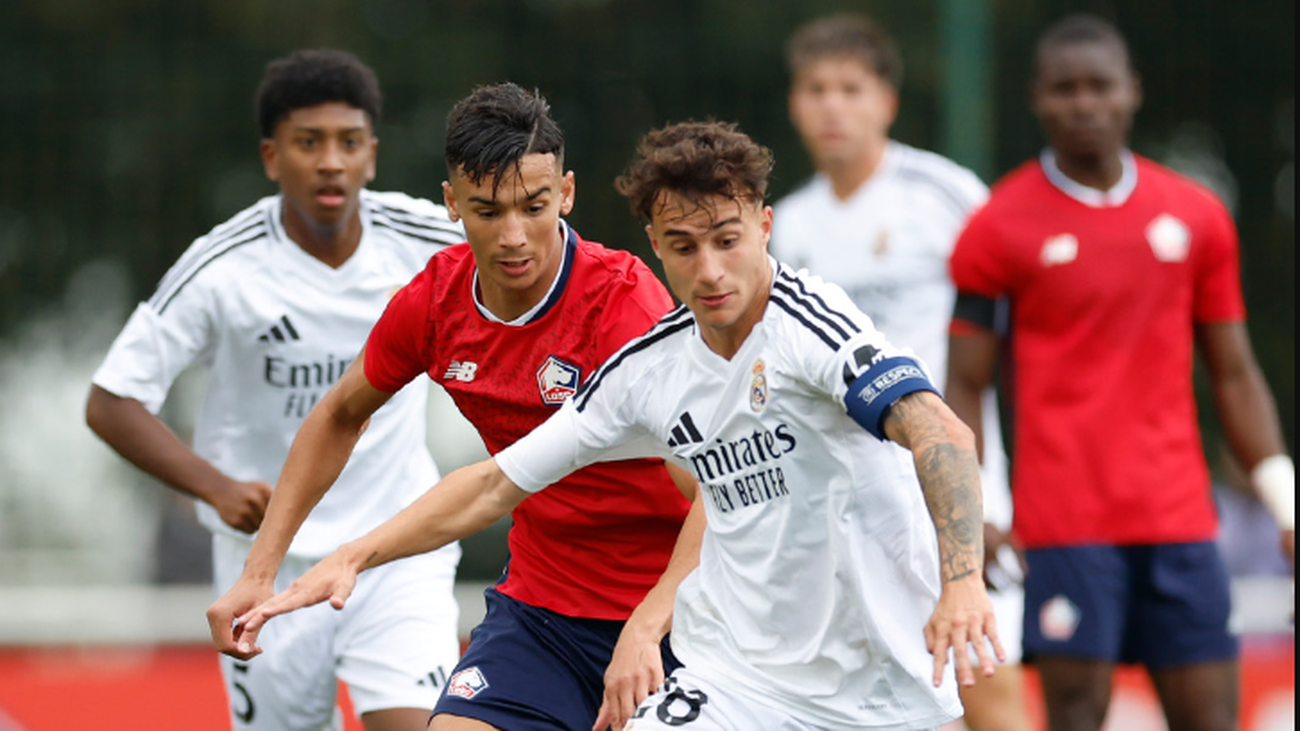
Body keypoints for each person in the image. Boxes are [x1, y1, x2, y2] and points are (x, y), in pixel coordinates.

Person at [234, 120, 1005, 731]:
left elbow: (941, 434)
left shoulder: (811, 327)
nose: (708, 271)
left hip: (861, 667)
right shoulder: (649, 366)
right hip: (723, 668)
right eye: (683, 246)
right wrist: (350, 557)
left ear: (765, 226)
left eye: (727, 240)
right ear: (657, 246)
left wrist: (962, 582)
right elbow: (496, 482)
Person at [205, 82, 699, 731]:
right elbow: (339, 414)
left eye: (535, 206)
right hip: (543, 617)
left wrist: (650, 621)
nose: (515, 236)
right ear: (451, 204)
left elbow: (716, 489)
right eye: (488, 211)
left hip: (680, 613)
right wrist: (259, 570)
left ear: (567, 194)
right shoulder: (436, 302)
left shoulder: (626, 306)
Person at [85, 49, 466, 731]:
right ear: (271, 156)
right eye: (308, 142)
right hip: (269, 567)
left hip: (395, 552)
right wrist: (216, 486)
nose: (330, 162)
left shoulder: (429, 241)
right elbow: (111, 399)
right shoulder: (224, 266)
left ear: (371, 156)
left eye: (349, 143)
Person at [945, 14, 1295, 731]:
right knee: (1076, 718)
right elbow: (965, 383)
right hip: (1066, 525)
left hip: (1181, 521)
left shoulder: (1195, 216)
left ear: (1131, 91)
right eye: (1064, 89)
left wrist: (1286, 502)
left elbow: (1233, 370)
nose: (1084, 104)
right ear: (1037, 99)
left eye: (1099, 86)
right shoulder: (998, 225)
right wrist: (970, 514)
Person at [771, 15, 1030, 731]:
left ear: (886, 100)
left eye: (850, 88)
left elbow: (1019, 336)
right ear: (795, 103)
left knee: (987, 685)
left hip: (959, 484)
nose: (832, 106)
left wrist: (1015, 484)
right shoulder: (786, 226)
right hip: (854, 498)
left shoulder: (946, 195)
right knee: (897, 703)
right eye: (815, 89)